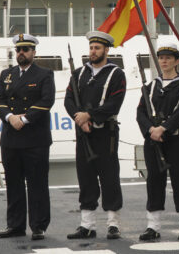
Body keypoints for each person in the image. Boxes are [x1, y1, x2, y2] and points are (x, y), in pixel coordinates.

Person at [0, 34, 55, 241]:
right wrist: (10, 118)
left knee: (37, 183)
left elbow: (47, 101)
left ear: (33, 53)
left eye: (26, 49)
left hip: (34, 138)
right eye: (19, 50)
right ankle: (15, 225)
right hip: (11, 137)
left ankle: (38, 226)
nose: (21, 53)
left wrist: (25, 119)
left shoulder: (44, 74)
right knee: (14, 183)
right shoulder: (6, 74)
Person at [65, 31, 127, 240]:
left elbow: (114, 103)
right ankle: (87, 225)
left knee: (109, 177)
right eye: (91, 48)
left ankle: (113, 224)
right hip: (84, 133)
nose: (93, 51)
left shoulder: (116, 74)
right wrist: (80, 119)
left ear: (106, 50)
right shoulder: (79, 73)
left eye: (97, 48)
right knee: (86, 177)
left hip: (105, 133)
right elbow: (69, 100)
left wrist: (89, 115)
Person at [137, 42, 179, 241]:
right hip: (154, 140)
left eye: (169, 58)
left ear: (176, 61)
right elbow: (141, 112)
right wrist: (150, 130)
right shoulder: (151, 86)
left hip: (178, 139)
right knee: (154, 181)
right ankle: (152, 226)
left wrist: (164, 128)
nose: (164, 61)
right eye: (161, 58)